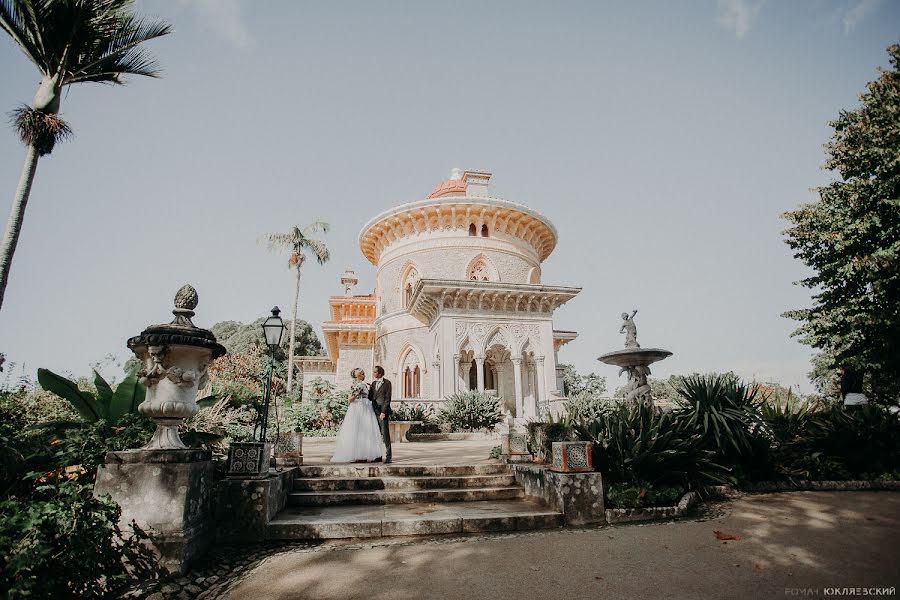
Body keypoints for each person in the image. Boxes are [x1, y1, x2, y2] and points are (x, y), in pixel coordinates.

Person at [331, 368, 384, 463]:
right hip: (357, 408)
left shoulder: (366, 385)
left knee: (368, 432)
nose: (364, 375)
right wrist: (357, 394)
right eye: (362, 374)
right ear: (358, 376)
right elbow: (349, 400)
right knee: (358, 431)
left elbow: (370, 397)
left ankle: (367, 454)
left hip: (367, 408)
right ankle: (358, 455)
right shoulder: (354, 386)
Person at [368, 365, 393, 464]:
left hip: (383, 412)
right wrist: (367, 389)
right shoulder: (373, 384)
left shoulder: (387, 383)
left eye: (375, 372)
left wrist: (383, 412)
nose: (373, 373)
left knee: (385, 434)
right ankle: (378, 456)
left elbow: (388, 399)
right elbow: (371, 398)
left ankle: (389, 456)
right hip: (374, 411)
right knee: (376, 434)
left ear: (380, 373)